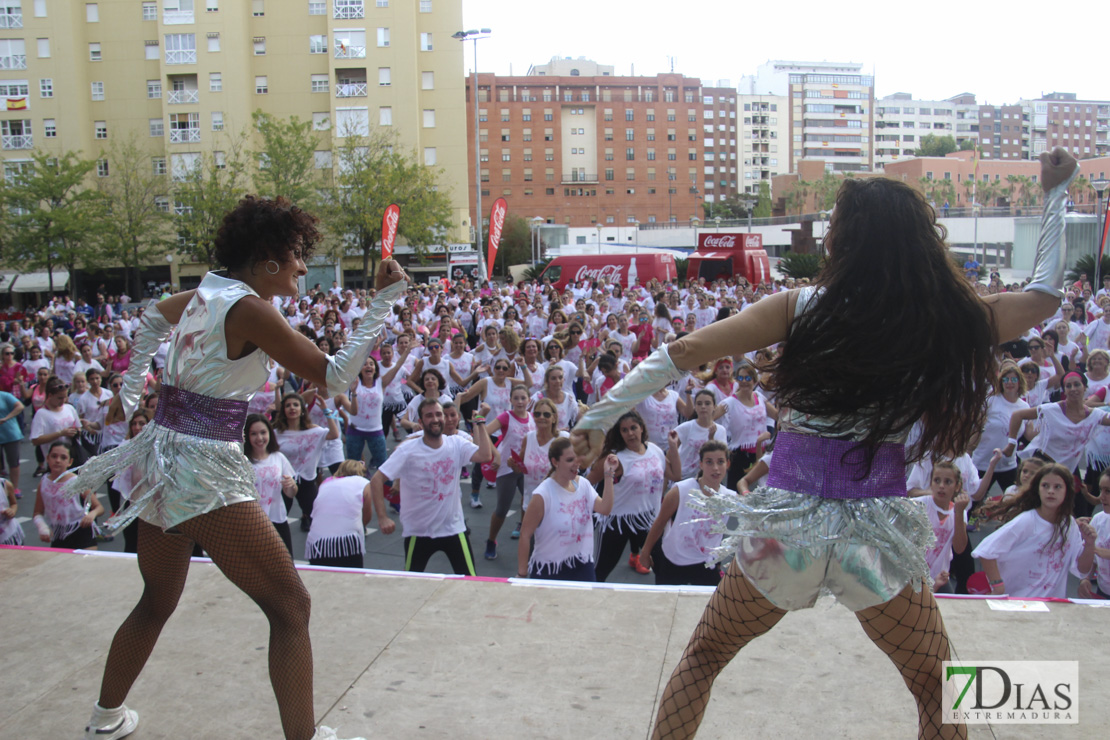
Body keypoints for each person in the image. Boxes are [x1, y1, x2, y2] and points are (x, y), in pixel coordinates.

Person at [571, 148, 1079, 739]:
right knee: (941, 687)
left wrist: (598, 414)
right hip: (877, 535)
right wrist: (1054, 193)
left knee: (705, 658)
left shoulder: (800, 308)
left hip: (787, 528)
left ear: (845, 242)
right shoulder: (942, 319)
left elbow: (682, 353)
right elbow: (1044, 297)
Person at [68, 195, 403, 740]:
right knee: (291, 607)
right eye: (296, 255)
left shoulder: (205, 291)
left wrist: (131, 396)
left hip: (159, 459)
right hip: (201, 469)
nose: (301, 266)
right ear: (268, 257)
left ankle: (106, 717)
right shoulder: (250, 308)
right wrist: (383, 301)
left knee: (156, 599)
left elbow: (151, 318)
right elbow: (336, 376)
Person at [369, 398, 493, 575]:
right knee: (412, 584)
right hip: (419, 532)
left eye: (438, 414)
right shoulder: (408, 450)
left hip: (453, 529)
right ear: (420, 422)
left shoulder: (456, 444)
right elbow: (376, 480)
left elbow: (485, 455)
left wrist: (480, 421)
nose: (435, 419)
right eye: (429, 415)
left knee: (470, 583)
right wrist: (382, 517)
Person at [973, 463, 1096, 598]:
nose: (1050, 491)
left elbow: (1081, 570)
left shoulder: (1069, 524)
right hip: (1019, 603)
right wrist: (998, 587)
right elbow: (986, 551)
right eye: (1045, 486)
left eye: (1057, 487)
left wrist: (1089, 544)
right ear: (1037, 489)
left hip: (1052, 607)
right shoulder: (1027, 521)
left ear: (1067, 492)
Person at [516, 438, 617, 581]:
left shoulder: (584, 485)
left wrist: (608, 475)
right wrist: (521, 573)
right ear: (555, 462)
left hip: (582, 565)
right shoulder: (543, 494)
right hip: (549, 570)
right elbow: (525, 535)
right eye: (570, 460)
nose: (576, 464)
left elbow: (605, 508)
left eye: (578, 458)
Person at [641, 440, 731, 586]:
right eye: (709, 462)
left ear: (727, 464)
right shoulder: (680, 491)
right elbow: (660, 521)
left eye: (720, 462)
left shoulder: (730, 497)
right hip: (674, 560)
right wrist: (645, 552)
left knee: (707, 606)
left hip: (705, 563)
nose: (715, 468)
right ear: (701, 464)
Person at [244, 413, 298, 556]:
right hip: (252, 523)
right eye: (254, 434)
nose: (259, 438)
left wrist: (291, 486)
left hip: (277, 519)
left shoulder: (278, 457)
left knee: (286, 565)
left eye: (263, 432)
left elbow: (290, 493)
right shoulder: (242, 461)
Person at [33, 440, 101, 549]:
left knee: (84, 564)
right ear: (47, 458)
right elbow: (37, 512)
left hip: (81, 531)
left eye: (63, 457)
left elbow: (99, 507)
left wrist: (92, 515)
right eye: (54, 456)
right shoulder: (43, 483)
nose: (58, 460)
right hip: (59, 535)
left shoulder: (77, 481)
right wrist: (42, 527)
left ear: (70, 462)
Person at [305, 460, 374, 569]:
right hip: (346, 543)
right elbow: (367, 515)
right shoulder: (364, 483)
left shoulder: (326, 483)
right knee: (351, 579)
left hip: (317, 543)